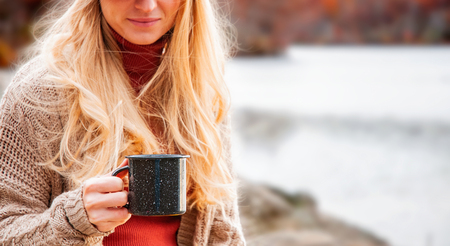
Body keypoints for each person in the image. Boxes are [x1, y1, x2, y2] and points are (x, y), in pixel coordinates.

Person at [0, 0, 245, 245]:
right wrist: (74, 220)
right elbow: (5, 231)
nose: (147, 5)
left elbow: (224, 231)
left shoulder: (201, 88)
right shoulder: (40, 92)